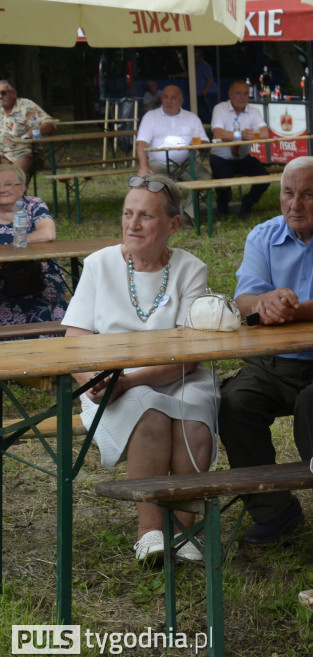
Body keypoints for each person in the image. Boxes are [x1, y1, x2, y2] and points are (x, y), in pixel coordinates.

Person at [218, 156, 313, 543]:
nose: (295, 204)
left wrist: (292, 311)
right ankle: (274, 511)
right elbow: (244, 297)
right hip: (273, 363)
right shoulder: (263, 235)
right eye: (288, 193)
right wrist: (264, 303)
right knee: (235, 401)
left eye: (308, 194)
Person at [62, 175, 216, 563]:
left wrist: (128, 380)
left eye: (145, 216)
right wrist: (93, 383)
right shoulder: (99, 264)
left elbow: (190, 354)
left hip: (177, 376)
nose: (132, 224)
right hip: (110, 381)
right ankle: (149, 531)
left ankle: (184, 530)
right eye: (128, 214)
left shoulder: (190, 269)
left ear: (172, 225)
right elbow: (74, 338)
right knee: (148, 415)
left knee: (193, 424)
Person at [0, 165, 66, 328]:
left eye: (8, 184)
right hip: (3, 281)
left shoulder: (33, 204)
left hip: (41, 276)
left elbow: (47, 233)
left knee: (46, 297)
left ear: (22, 188)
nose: (1, 189)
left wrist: (11, 246)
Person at [135, 85, 211, 220]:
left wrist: (198, 145)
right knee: (144, 180)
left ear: (181, 101)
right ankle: (153, 218)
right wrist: (143, 166)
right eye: (166, 97)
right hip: (158, 164)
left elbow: (205, 142)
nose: (169, 101)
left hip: (187, 164)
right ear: (161, 99)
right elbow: (141, 143)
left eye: (173, 98)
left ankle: (188, 215)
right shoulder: (151, 116)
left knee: (205, 178)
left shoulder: (191, 118)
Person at [209, 79, 270, 220]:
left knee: (264, 177)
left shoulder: (253, 111)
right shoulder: (220, 108)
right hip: (221, 156)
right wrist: (240, 135)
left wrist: (248, 136)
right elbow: (218, 133)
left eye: (245, 94)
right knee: (224, 181)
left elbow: (265, 133)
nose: (242, 97)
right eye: (238, 93)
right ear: (230, 94)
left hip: (243, 156)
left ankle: (247, 203)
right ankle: (222, 208)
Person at [0, 79, 56, 178]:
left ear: (14, 93)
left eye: (3, 93)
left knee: (15, 177)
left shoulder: (26, 105)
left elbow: (49, 123)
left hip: (24, 152)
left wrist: (36, 130)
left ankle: (18, 192)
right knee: (5, 179)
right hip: (2, 154)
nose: (0, 96)